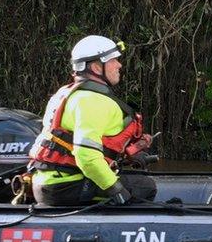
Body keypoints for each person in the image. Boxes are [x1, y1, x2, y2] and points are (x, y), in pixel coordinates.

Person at [29, 35, 157, 206]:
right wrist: (116, 190)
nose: (119, 65)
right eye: (113, 60)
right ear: (97, 67)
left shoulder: (67, 93)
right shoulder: (93, 101)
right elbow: (86, 156)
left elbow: (86, 145)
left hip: (49, 183)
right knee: (145, 187)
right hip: (67, 186)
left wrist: (130, 154)